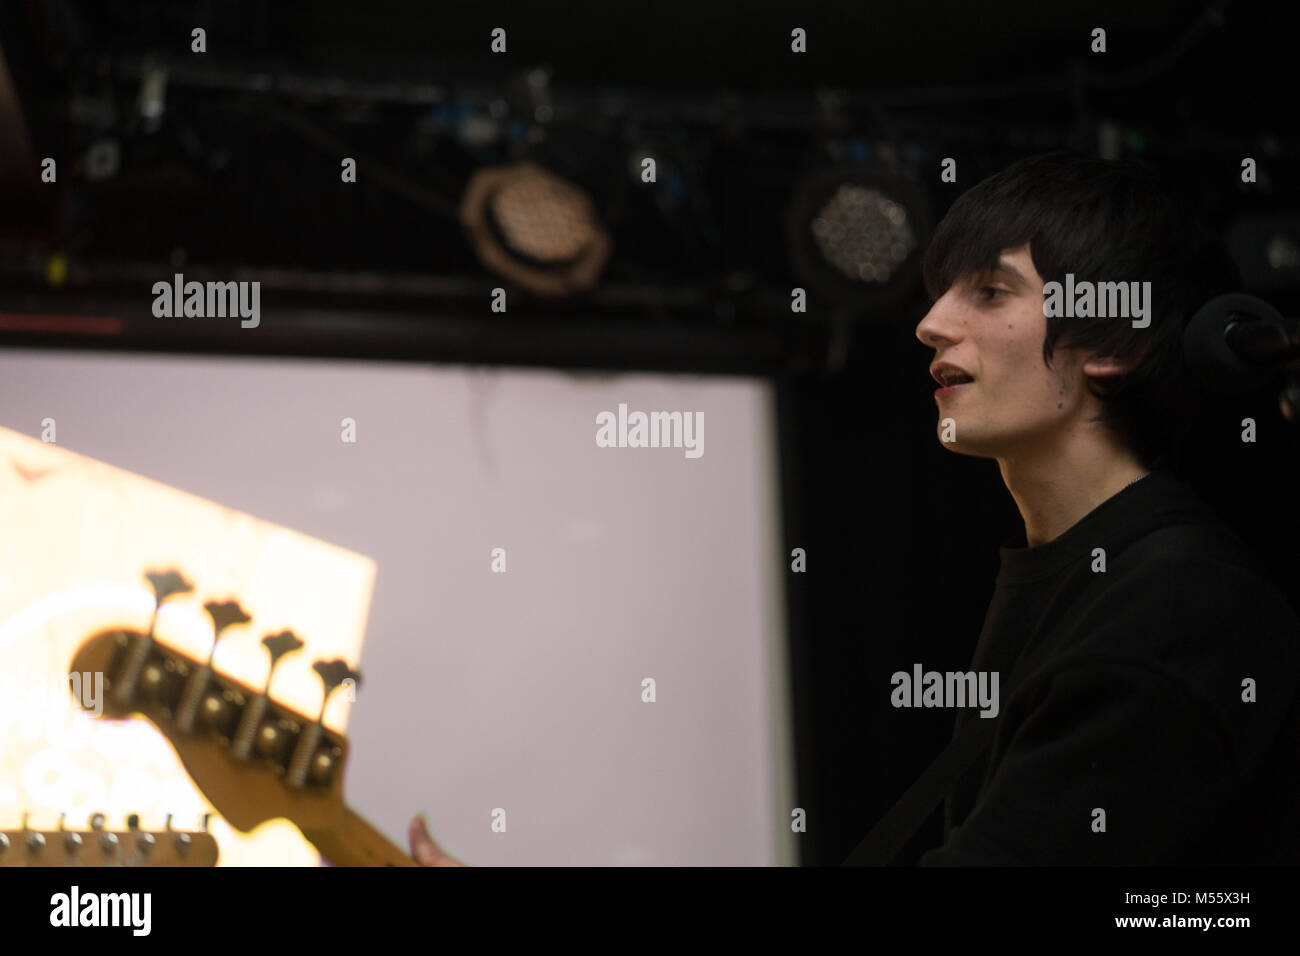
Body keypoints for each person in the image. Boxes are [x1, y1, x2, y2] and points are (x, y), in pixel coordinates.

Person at [912, 151, 1300, 864]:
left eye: (991, 292)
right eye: (941, 293)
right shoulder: (1093, 572)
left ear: (1118, 340)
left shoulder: (1176, 604)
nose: (932, 323)